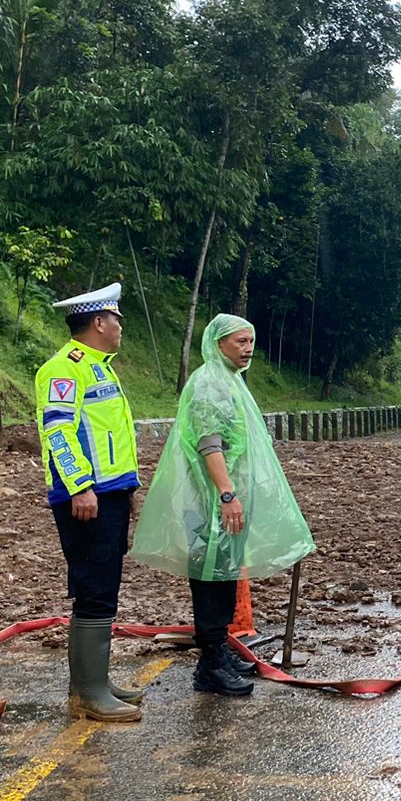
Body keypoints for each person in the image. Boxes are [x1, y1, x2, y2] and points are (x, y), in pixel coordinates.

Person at [132, 314, 316, 696]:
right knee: (210, 580)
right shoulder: (209, 384)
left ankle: (219, 651)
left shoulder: (228, 380)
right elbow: (209, 443)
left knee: (225, 575)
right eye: (240, 342)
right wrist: (227, 494)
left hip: (223, 499)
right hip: (210, 502)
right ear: (218, 344)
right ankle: (210, 664)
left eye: (251, 341)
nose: (248, 348)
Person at [35, 282, 144, 723]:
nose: (120, 328)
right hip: (86, 498)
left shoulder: (101, 368)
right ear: (98, 322)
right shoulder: (64, 369)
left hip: (110, 494)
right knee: (94, 587)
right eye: (116, 320)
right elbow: (58, 432)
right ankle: (88, 694)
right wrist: (80, 486)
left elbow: (109, 437)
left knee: (103, 585)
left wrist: (128, 489)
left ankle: (92, 681)